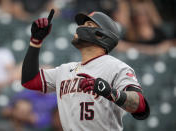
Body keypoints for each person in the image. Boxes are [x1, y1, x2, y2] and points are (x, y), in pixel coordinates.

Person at [21, 9, 150, 131]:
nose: (79, 27)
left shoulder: (117, 67)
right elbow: (30, 81)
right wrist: (36, 41)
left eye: (88, 24)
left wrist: (110, 92)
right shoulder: (65, 69)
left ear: (101, 35)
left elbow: (140, 106)